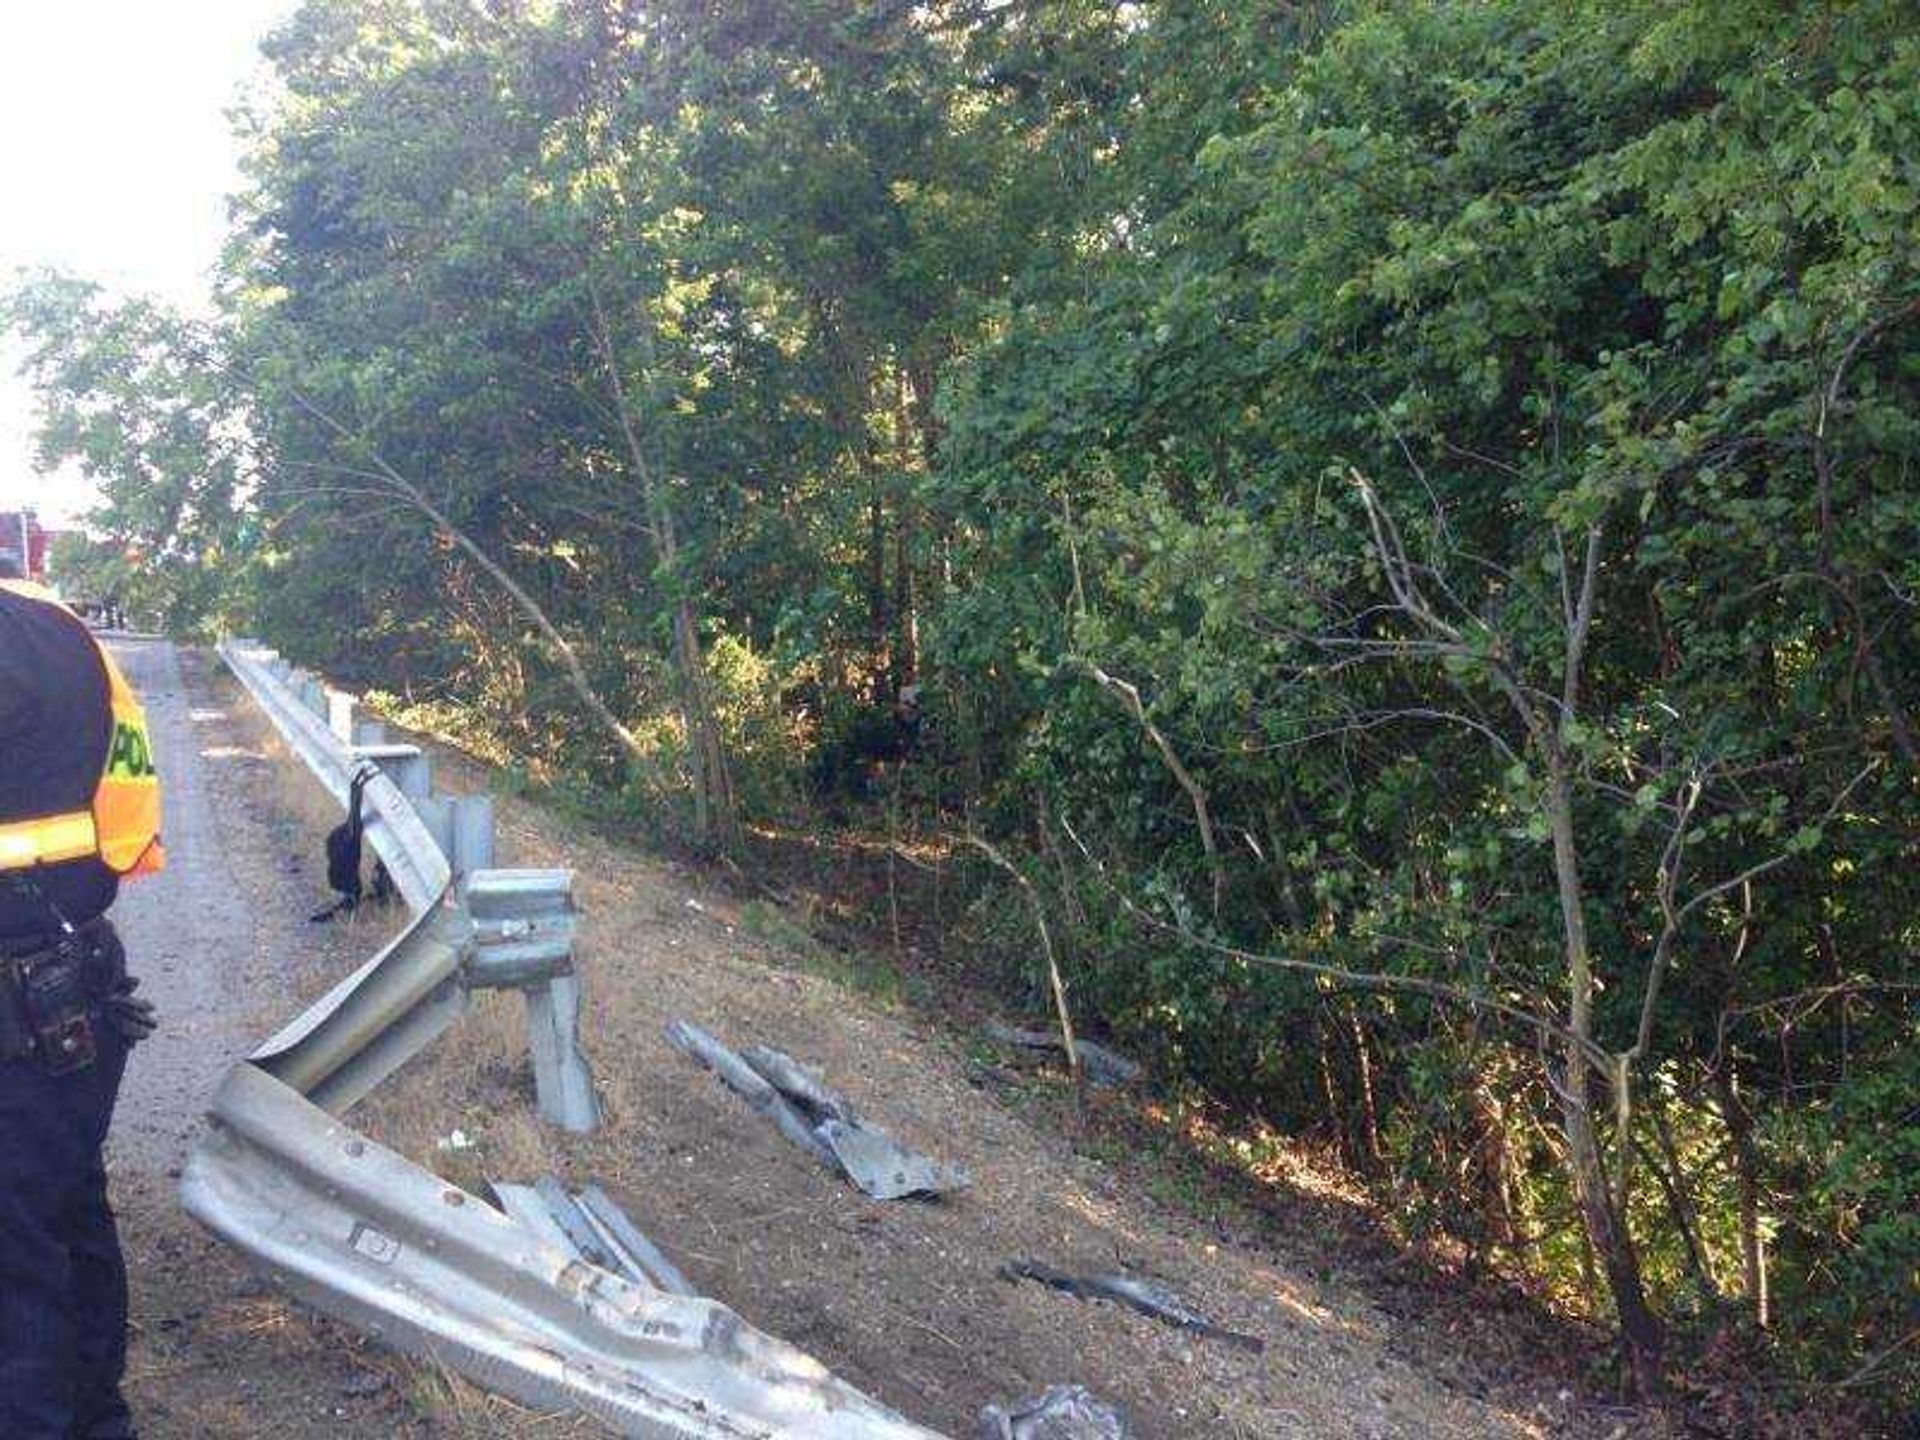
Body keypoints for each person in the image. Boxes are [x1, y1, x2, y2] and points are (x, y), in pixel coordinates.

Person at [0, 555, 164, 1439]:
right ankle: (97, 1418)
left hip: (20, 1004)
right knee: (68, 1218)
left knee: (14, 1269)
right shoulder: (59, 629)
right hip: (76, 983)